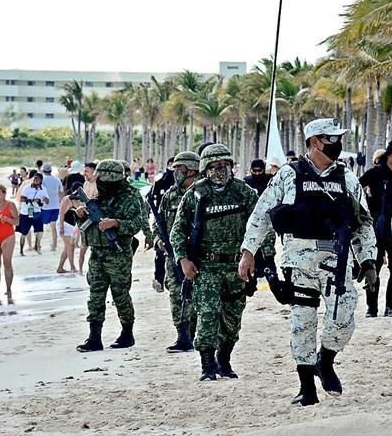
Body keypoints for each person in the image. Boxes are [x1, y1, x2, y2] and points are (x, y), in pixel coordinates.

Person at [240, 118, 378, 406]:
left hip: (335, 258)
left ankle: (325, 360)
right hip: (298, 257)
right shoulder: (289, 175)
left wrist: (368, 260)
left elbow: (362, 222)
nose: (337, 145)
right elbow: (262, 213)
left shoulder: (346, 177)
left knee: (343, 317)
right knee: (302, 323)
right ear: (315, 142)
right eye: (331, 139)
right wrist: (249, 251)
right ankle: (306, 387)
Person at [171, 144, 259, 380]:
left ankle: (225, 361)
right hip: (206, 267)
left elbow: (261, 227)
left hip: (236, 267)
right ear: (205, 169)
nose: (221, 170)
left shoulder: (245, 193)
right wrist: (183, 260)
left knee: (232, 319)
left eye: (225, 165)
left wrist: (260, 258)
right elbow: (177, 231)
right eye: (215, 166)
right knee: (208, 315)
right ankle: (207, 366)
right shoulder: (196, 194)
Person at [76, 160, 148, 353]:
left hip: (119, 254)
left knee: (120, 295)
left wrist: (116, 223)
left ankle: (127, 333)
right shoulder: (100, 196)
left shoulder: (130, 196)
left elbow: (136, 223)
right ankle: (94, 337)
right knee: (95, 295)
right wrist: (81, 214)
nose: (102, 183)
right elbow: (87, 224)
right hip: (98, 252)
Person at [153, 151, 201, 352]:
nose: (175, 173)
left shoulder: (204, 193)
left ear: (191, 170)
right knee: (176, 294)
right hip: (173, 256)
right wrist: (158, 240)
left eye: (179, 169)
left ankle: (198, 334)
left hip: (199, 255)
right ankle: (183, 336)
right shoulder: (170, 195)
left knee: (198, 296)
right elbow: (159, 222)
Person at [359, 138, 392, 318]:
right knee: (373, 267)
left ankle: (391, 307)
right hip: (375, 227)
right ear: (388, 154)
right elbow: (355, 187)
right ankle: (371, 308)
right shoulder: (374, 173)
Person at [0, 184, 18, 301]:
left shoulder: (11, 205)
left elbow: (17, 221)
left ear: (4, 194)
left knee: (7, 262)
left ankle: (8, 288)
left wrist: (8, 220)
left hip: (7, 236)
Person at [58, 172, 85, 273]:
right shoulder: (67, 199)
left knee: (68, 247)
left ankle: (60, 267)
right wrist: (61, 227)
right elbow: (61, 214)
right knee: (70, 246)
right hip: (63, 224)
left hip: (72, 225)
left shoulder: (79, 200)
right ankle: (72, 267)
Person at [18, 171, 48, 256]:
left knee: (39, 231)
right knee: (24, 232)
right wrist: (30, 200)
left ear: (41, 180)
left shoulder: (43, 189)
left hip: (37, 211)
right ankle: (21, 250)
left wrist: (41, 200)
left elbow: (47, 200)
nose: (35, 180)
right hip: (26, 211)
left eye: (37, 179)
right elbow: (21, 198)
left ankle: (37, 246)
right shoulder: (27, 188)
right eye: (34, 178)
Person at [78, 162, 99, 273]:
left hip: (97, 217)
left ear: (94, 172)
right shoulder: (86, 184)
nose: (84, 174)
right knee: (83, 246)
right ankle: (80, 270)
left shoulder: (99, 184)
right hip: (87, 217)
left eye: (87, 171)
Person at [41, 162, 65, 252]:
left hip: (45, 206)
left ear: (43, 171)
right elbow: (61, 192)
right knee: (53, 226)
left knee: (40, 225)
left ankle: (38, 244)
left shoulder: (42, 180)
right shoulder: (57, 179)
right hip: (55, 205)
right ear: (51, 171)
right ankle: (54, 245)